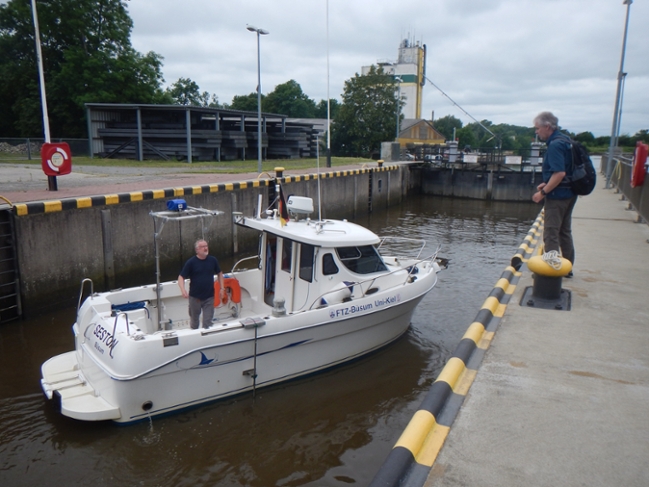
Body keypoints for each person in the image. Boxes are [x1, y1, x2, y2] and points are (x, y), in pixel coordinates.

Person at [532, 111, 577, 276]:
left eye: (537, 128)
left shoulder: (555, 145)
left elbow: (559, 173)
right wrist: (548, 181)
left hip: (558, 196)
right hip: (570, 192)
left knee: (551, 232)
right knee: (565, 231)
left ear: (547, 127)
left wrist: (543, 192)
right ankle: (567, 268)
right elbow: (566, 171)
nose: (536, 132)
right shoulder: (566, 140)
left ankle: (551, 271)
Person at [178, 239, 226, 329]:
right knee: (194, 321)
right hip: (195, 298)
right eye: (202, 247)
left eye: (206, 246)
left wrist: (222, 288)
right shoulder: (191, 262)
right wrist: (183, 289)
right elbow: (181, 277)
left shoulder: (213, 260)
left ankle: (207, 338)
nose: (205, 248)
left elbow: (219, 273)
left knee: (208, 322)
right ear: (197, 250)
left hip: (209, 297)